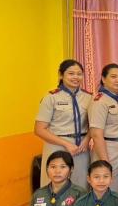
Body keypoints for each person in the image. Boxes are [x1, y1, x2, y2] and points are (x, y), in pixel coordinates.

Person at [34, 59, 92, 188]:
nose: (76, 77)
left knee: (81, 185)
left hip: (81, 148)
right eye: (71, 73)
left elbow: (93, 125)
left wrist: (87, 139)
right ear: (61, 75)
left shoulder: (89, 97)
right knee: (56, 185)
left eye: (79, 74)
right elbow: (39, 129)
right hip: (57, 146)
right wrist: (66, 144)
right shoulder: (51, 98)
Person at [89, 63, 118, 196]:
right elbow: (96, 134)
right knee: (107, 187)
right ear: (103, 79)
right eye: (113, 76)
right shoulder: (100, 100)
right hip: (109, 150)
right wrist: (105, 162)